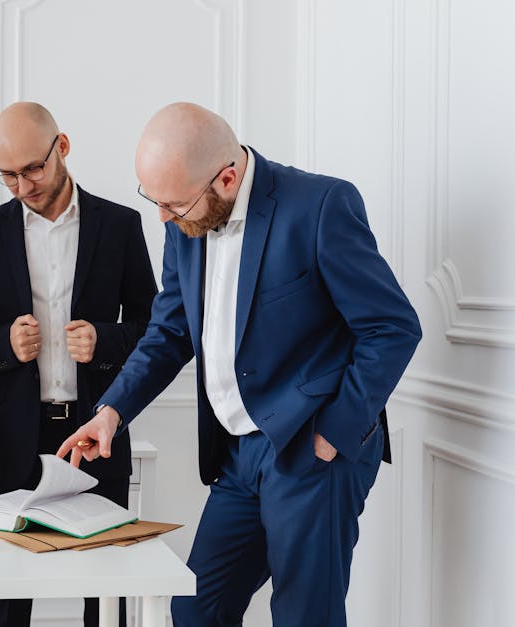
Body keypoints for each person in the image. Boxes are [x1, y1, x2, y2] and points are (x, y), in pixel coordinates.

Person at [58, 102, 422, 627]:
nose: (162, 217)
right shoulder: (183, 215)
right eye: (153, 200)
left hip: (311, 446)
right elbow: (170, 331)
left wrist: (334, 434)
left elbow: (392, 327)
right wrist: (112, 411)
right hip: (237, 455)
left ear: (228, 178)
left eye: (173, 205)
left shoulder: (320, 205)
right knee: (194, 611)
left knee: (304, 617)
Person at [0, 102, 157, 627]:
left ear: (61, 147)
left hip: (97, 432)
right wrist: (4, 343)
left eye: (33, 169)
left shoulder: (120, 225)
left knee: (103, 582)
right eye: (8, 176)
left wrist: (106, 340)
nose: (23, 186)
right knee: (5, 585)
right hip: (13, 434)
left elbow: (155, 326)